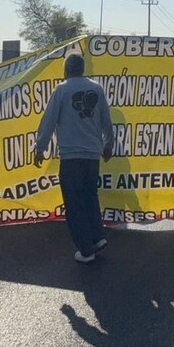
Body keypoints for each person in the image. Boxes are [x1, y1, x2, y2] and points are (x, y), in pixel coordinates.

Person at [35, 53, 115, 264]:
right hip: (92, 156)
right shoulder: (97, 89)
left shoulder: (61, 90)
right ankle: (97, 237)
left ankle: (86, 250)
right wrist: (108, 145)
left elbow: (49, 121)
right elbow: (106, 119)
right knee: (90, 197)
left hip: (71, 157)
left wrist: (40, 148)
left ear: (66, 69)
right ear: (82, 68)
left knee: (74, 203)